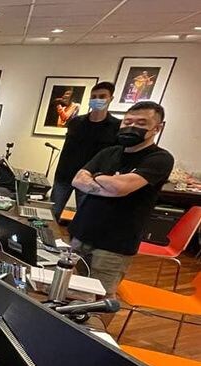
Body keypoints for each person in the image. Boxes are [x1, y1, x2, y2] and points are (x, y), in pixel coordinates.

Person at [68, 101, 174, 300]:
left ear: (157, 128)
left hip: (114, 244)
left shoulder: (160, 158)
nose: (131, 127)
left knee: (99, 300)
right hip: (81, 234)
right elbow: (77, 180)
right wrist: (110, 185)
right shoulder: (108, 152)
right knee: (70, 290)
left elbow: (121, 187)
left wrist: (96, 176)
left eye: (141, 123)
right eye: (127, 121)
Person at [51, 82, 121, 222]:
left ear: (111, 99)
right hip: (65, 176)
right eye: (94, 97)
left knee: (84, 217)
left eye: (102, 96)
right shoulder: (76, 122)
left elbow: (114, 155)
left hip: (91, 179)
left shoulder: (116, 126)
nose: (97, 100)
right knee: (52, 212)